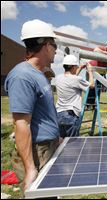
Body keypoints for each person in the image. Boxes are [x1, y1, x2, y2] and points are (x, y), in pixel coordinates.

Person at [4, 19, 61, 195]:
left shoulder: (39, 74)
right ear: (45, 45)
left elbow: (44, 114)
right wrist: (30, 168)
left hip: (47, 147)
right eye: (54, 45)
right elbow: (21, 123)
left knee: (50, 194)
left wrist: (56, 137)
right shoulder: (22, 76)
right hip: (36, 152)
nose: (56, 50)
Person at [55, 55, 94, 138]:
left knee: (61, 142)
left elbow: (71, 78)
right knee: (72, 144)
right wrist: (90, 71)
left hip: (58, 114)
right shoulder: (77, 79)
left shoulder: (58, 78)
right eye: (76, 66)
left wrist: (80, 67)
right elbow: (91, 85)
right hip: (70, 115)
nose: (77, 68)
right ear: (73, 67)